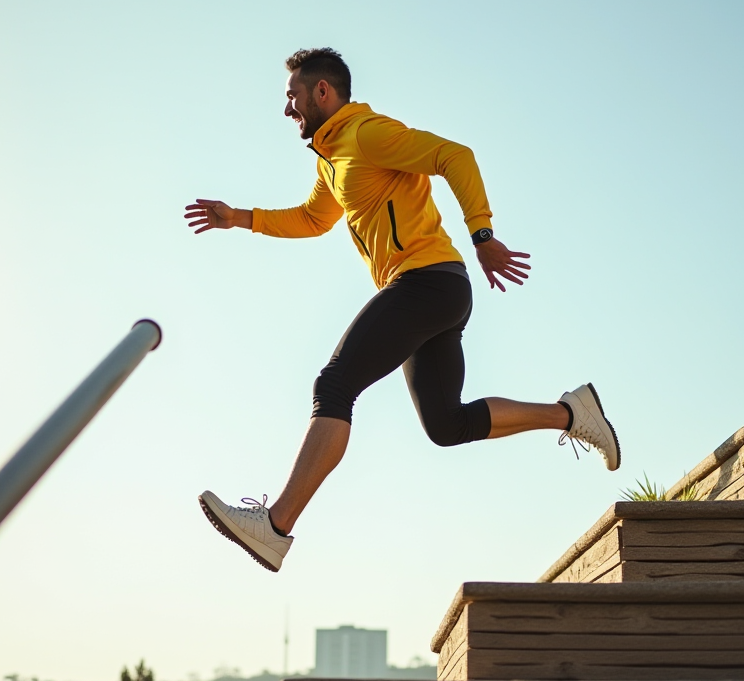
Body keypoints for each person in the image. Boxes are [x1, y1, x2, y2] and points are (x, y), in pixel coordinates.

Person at [185, 47, 620, 573]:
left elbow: (454, 155)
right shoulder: (333, 157)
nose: (288, 110)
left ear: (323, 91)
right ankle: (573, 413)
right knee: (445, 423)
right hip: (435, 290)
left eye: (293, 97)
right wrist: (242, 218)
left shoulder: (367, 134)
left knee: (335, 384)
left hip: (428, 281)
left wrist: (482, 234)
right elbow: (312, 218)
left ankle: (275, 526)